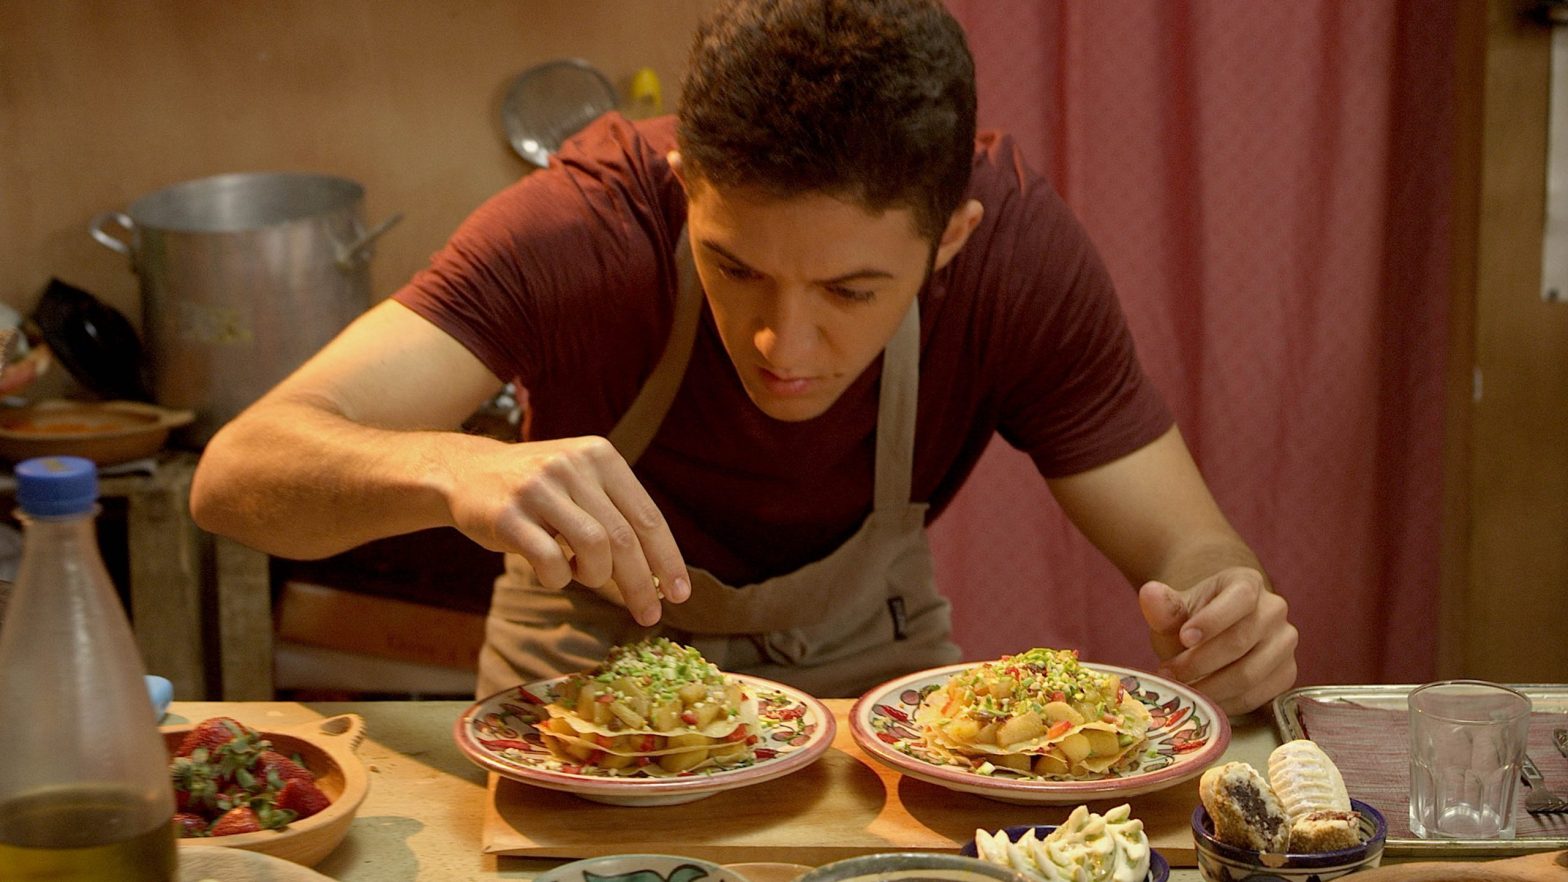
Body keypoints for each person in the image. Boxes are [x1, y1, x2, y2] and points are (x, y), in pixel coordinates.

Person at [190, 0, 1296, 712]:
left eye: (850, 291)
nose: (783, 344)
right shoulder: (583, 226)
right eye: (735, 267)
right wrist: (453, 468)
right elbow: (237, 475)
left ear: (951, 239)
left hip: (864, 696)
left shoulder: (1017, 258)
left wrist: (1226, 608)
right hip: (581, 700)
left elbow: (1188, 543)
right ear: (685, 189)